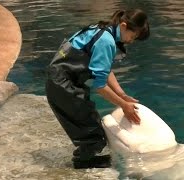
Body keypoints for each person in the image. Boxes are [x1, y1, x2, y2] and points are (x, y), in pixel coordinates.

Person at [45, 9, 150, 169]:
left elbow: (104, 69)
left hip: (60, 80)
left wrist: (121, 94)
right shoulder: (106, 41)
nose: (131, 41)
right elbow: (99, 87)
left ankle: (85, 157)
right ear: (123, 25)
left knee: (89, 122)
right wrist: (123, 105)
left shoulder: (102, 29)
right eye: (133, 36)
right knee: (95, 135)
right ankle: (82, 163)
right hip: (62, 84)